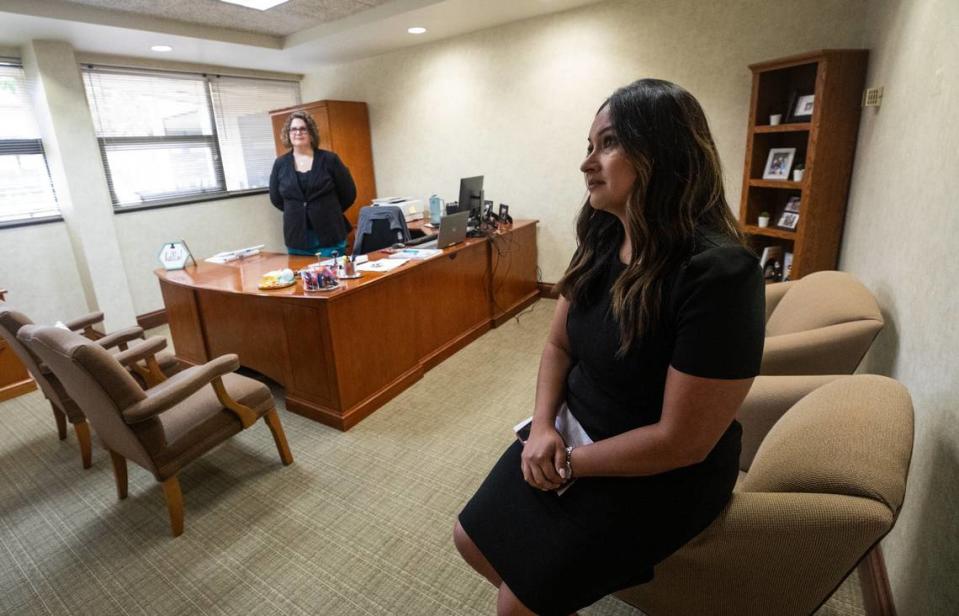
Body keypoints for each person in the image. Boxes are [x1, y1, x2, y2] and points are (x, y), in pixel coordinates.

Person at [453, 79, 765, 616]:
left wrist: (570, 463)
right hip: (574, 432)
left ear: (662, 151)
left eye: (609, 143)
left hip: (660, 474)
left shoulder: (720, 273)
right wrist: (544, 427)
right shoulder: (602, 236)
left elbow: (681, 442)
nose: (587, 163)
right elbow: (557, 345)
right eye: (589, 145)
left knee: (515, 607)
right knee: (468, 537)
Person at [269, 110, 357, 256]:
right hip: (297, 236)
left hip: (330, 233)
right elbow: (276, 198)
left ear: (311, 133)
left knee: (332, 277)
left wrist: (329, 210)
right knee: (302, 278)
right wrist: (298, 210)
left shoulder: (330, 160)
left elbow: (348, 194)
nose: (298, 132)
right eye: (294, 129)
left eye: (303, 128)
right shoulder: (280, 164)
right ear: (288, 134)